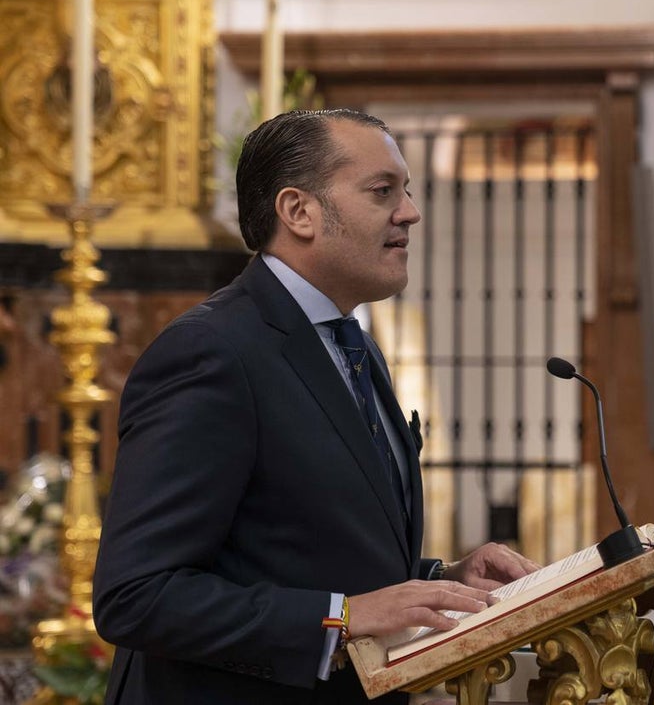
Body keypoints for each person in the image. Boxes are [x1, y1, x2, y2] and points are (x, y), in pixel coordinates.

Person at [93, 109, 538, 704]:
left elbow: (298, 544)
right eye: (383, 191)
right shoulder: (212, 351)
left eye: (405, 191)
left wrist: (439, 581)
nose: (409, 211)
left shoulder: (350, 342)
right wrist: (340, 618)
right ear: (298, 212)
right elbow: (136, 595)